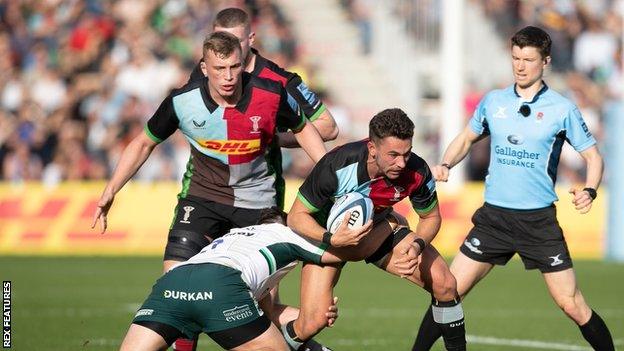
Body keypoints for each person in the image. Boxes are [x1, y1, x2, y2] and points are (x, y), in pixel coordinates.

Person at [92, 31, 326, 349]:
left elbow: (303, 129)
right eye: (219, 69)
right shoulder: (182, 101)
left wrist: (330, 175)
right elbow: (144, 142)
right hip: (202, 201)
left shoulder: (270, 94)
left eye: (234, 67)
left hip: (258, 206)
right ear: (204, 68)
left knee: (263, 307)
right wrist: (111, 190)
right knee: (176, 284)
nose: (228, 77)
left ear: (243, 65)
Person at [412, 26, 615, 351]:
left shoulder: (561, 108)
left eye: (529, 59)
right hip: (494, 219)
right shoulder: (494, 101)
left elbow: (593, 157)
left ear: (545, 61)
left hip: (538, 223)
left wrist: (589, 190)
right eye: (516, 58)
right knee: (447, 290)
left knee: (571, 304)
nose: (520, 66)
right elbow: (466, 138)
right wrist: (447, 163)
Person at [286, 108, 467, 351]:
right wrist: (332, 237)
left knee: (445, 284)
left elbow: (431, 217)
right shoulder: (337, 166)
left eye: (406, 153)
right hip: (325, 239)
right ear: (372, 149)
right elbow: (296, 217)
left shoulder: (416, 170)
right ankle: (276, 343)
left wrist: (417, 244)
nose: (401, 163)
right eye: (392, 155)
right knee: (312, 322)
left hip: (377, 229)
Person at [119, 208, 341, 351]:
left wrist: (311, 313)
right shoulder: (286, 234)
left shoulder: (234, 235)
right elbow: (339, 251)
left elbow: (265, 313)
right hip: (220, 283)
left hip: (173, 281)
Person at [189, 7, 338, 209]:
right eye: (221, 39)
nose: (226, 49)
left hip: (260, 195)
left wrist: (270, 138)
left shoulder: (279, 81)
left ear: (251, 39)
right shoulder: (202, 72)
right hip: (207, 192)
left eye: (235, 41)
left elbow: (328, 127)